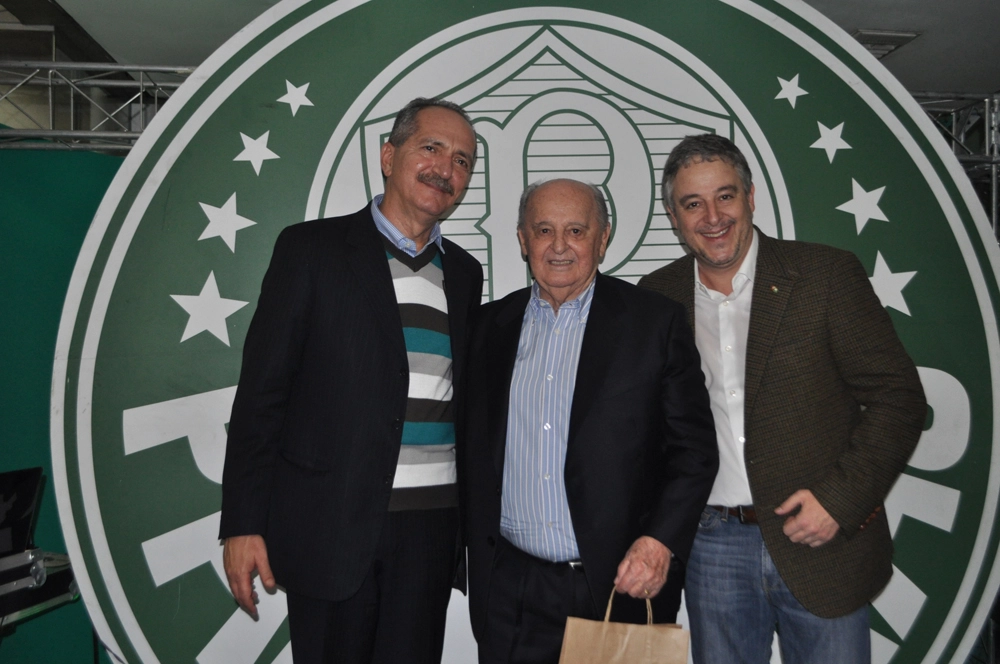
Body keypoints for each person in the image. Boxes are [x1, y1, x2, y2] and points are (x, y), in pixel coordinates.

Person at [638, 133, 927, 664]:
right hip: (712, 548)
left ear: (750, 196)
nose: (712, 216)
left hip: (820, 543)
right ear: (674, 218)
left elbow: (900, 399)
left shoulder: (826, 276)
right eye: (692, 203)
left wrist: (840, 502)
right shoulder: (654, 298)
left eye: (725, 196)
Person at [218, 97, 483, 664]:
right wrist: (241, 523)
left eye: (463, 160)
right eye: (431, 148)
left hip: (431, 537)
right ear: (389, 156)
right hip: (330, 527)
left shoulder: (464, 273)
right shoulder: (309, 250)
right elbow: (262, 396)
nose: (446, 168)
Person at [464, 178, 719, 664]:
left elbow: (694, 451)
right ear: (522, 239)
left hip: (617, 586)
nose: (559, 246)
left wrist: (661, 540)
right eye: (543, 230)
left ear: (602, 239)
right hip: (510, 592)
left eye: (576, 230)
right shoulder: (486, 329)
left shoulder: (654, 323)